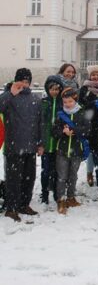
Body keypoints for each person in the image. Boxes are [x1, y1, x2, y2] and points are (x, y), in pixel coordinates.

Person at [0, 68, 43, 221]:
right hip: (13, 147)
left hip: (30, 147)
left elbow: (39, 123)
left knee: (28, 178)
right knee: (13, 179)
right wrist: (10, 93)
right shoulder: (8, 97)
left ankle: (24, 204)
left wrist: (40, 143)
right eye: (21, 81)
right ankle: (11, 208)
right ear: (16, 81)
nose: (24, 84)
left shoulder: (35, 99)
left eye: (27, 81)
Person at [54, 88, 91, 214]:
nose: (68, 104)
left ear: (75, 100)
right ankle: (61, 199)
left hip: (76, 150)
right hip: (62, 150)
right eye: (65, 102)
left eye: (70, 101)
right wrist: (62, 132)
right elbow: (54, 131)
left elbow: (87, 129)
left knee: (73, 176)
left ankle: (70, 197)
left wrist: (74, 131)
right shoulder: (60, 114)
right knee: (62, 176)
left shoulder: (82, 112)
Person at [79, 64, 98, 187]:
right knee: (90, 151)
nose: (95, 77)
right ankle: (90, 173)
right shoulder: (85, 88)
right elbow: (81, 104)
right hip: (89, 123)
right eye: (93, 75)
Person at [40, 75, 64, 204]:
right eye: (52, 89)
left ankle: (56, 192)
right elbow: (39, 123)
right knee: (45, 170)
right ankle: (44, 193)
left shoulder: (62, 103)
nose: (54, 92)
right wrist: (40, 141)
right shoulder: (43, 103)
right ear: (47, 89)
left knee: (57, 171)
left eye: (57, 89)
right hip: (46, 143)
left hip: (58, 143)